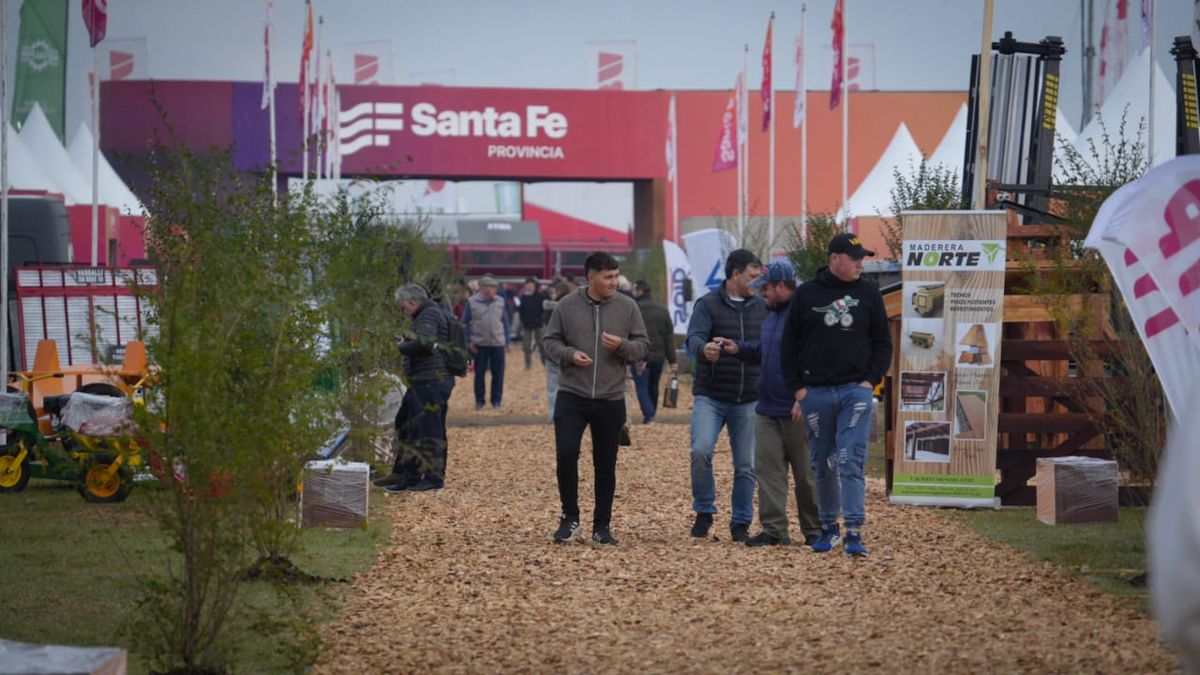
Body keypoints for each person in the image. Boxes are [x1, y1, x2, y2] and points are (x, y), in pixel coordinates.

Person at [781, 233, 892, 557]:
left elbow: (882, 342)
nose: (861, 263)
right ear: (835, 258)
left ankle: (854, 531)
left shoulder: (869, 292)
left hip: (853, 392)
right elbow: (789, 345)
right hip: (814, 393)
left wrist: (870, 380)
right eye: (854, 257)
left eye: (863, 257)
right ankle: (828, 528)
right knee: (823, 461)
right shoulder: (806, 295)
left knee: (851, 458)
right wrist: (798, 389)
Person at [542, 252, 649, 546]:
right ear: (590, 277)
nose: (614, 282)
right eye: (608, 277)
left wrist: (624, 346)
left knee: (605, 463)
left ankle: (602, 526)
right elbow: (549, 341)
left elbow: (643, 345)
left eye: (616, 276)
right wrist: (569, 355)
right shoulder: (566, 306)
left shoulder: (628, 307)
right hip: (572, 393)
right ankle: (569, 517)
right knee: (566, 452)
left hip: (610, 396)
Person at [715, 261, 820, 547]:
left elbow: (816, 360)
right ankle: (774, 530)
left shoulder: (805, 317)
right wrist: (739, 349)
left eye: (766, 288)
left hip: (797, 407)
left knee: (806, 474)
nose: (761, 293)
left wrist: (806, 396)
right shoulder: (771, 315)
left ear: (781, 287)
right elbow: (767, 352)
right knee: (769, 473)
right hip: (767, 407)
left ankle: (815, 529)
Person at [686, 249, 765, 542]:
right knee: (701, 450)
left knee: (747, 464)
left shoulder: (762, 307)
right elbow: (694, 336)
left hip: (749, 396)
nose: (755, 282)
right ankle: (704, 509)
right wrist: (703, 349)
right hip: (712, 394)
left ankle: (741, 521)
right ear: (735, 274)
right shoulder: (708, 304)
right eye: (751, 276)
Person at [374, 283, 456, 492]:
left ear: (412, 302)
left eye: (403, 307)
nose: (403, 312)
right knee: (406, 423)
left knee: (429, 430)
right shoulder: (427, 315)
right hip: (423, 379)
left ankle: (433, 478)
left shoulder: (428, 315)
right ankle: (404, 473)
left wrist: (401, 346)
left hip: (431, 380)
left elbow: (424, 344)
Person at [631, 280, 677, 425]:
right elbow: (669, 337)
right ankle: (652, 414)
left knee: (641, 386)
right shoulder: (662, 309)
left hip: (639, 354)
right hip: (658, 356)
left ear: (640, 291)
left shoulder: (635, 308)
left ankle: (649, 414)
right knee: (653, 386)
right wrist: (672, 360)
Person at [463, 274, 511, 410]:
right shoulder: (471, 302)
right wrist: (468, 341)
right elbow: (464, 323)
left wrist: (508, 341)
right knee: (479, 374)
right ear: (481, 288)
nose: (491, 290)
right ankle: (480, 401)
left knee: (498, 374)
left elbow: (505, 322)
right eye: (488, 287)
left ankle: (496, 400)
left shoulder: (500, 301)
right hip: (479, 344)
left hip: (498, 343)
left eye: (494, 287)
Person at [540, 282, 570, 422]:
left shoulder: (549, 310)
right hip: (569, 353)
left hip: (552, 353)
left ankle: (553, 416)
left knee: (553, 386)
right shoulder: (573, 308)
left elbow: (545, 333)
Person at [517, 277, 547, 371]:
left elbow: (544, 310)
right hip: (527, 325)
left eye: (531, 285)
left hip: (538, 324)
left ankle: (545, 362)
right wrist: (523, 320)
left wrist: (540, 319)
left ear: (534, 286)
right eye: (527, 285)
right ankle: (528, 364)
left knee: (541, 344)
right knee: (526, 345)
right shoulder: (524, 297)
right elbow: (521, 311)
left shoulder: (540, 296)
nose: (529, 287)